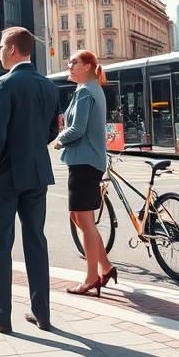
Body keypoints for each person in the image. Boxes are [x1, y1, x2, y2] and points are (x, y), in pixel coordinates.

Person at [0, 27, 59, 333]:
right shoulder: (48, 85)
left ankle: (1, 315)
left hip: (6, 175)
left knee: (0, 243)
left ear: (12, 49)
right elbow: (53, 131)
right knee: (36, 241)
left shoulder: (4, 84)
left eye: (1, 46)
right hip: (37, 173)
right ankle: (42, 313)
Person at [52, 50, 115, 297]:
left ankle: (91, 278)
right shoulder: (89, 89)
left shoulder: (86, 91)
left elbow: (77, 129)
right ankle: (106, 267)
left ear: (88, 65)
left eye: (74, 63)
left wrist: (58, 139)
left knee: (85, 221)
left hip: (84, 162)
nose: (69, 66)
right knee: (79, 218)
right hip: (87, 161)